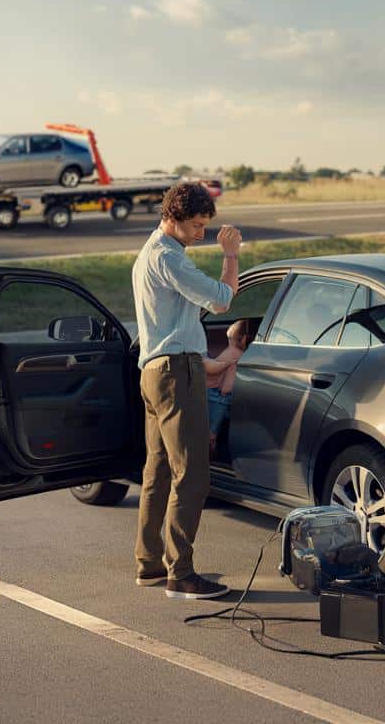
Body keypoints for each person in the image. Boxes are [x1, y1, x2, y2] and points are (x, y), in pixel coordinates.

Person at [131, 182, 241, 600]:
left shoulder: (148, 255)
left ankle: (150, 564)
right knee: (192, 474)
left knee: (157, 473)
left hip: (153, 372)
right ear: (173, 218)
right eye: (196, 225)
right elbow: (221, 301)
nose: (201, 234)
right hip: (177, 372)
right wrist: (230, 254)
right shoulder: (169, 258)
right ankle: (182, 574)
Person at [203, 319, 250, 452]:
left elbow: (227, 387)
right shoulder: (238, 354)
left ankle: (209, 456)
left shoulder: (233, 355)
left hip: (218, 398)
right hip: (220, 397)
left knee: (210, 433)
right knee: (213, 431)